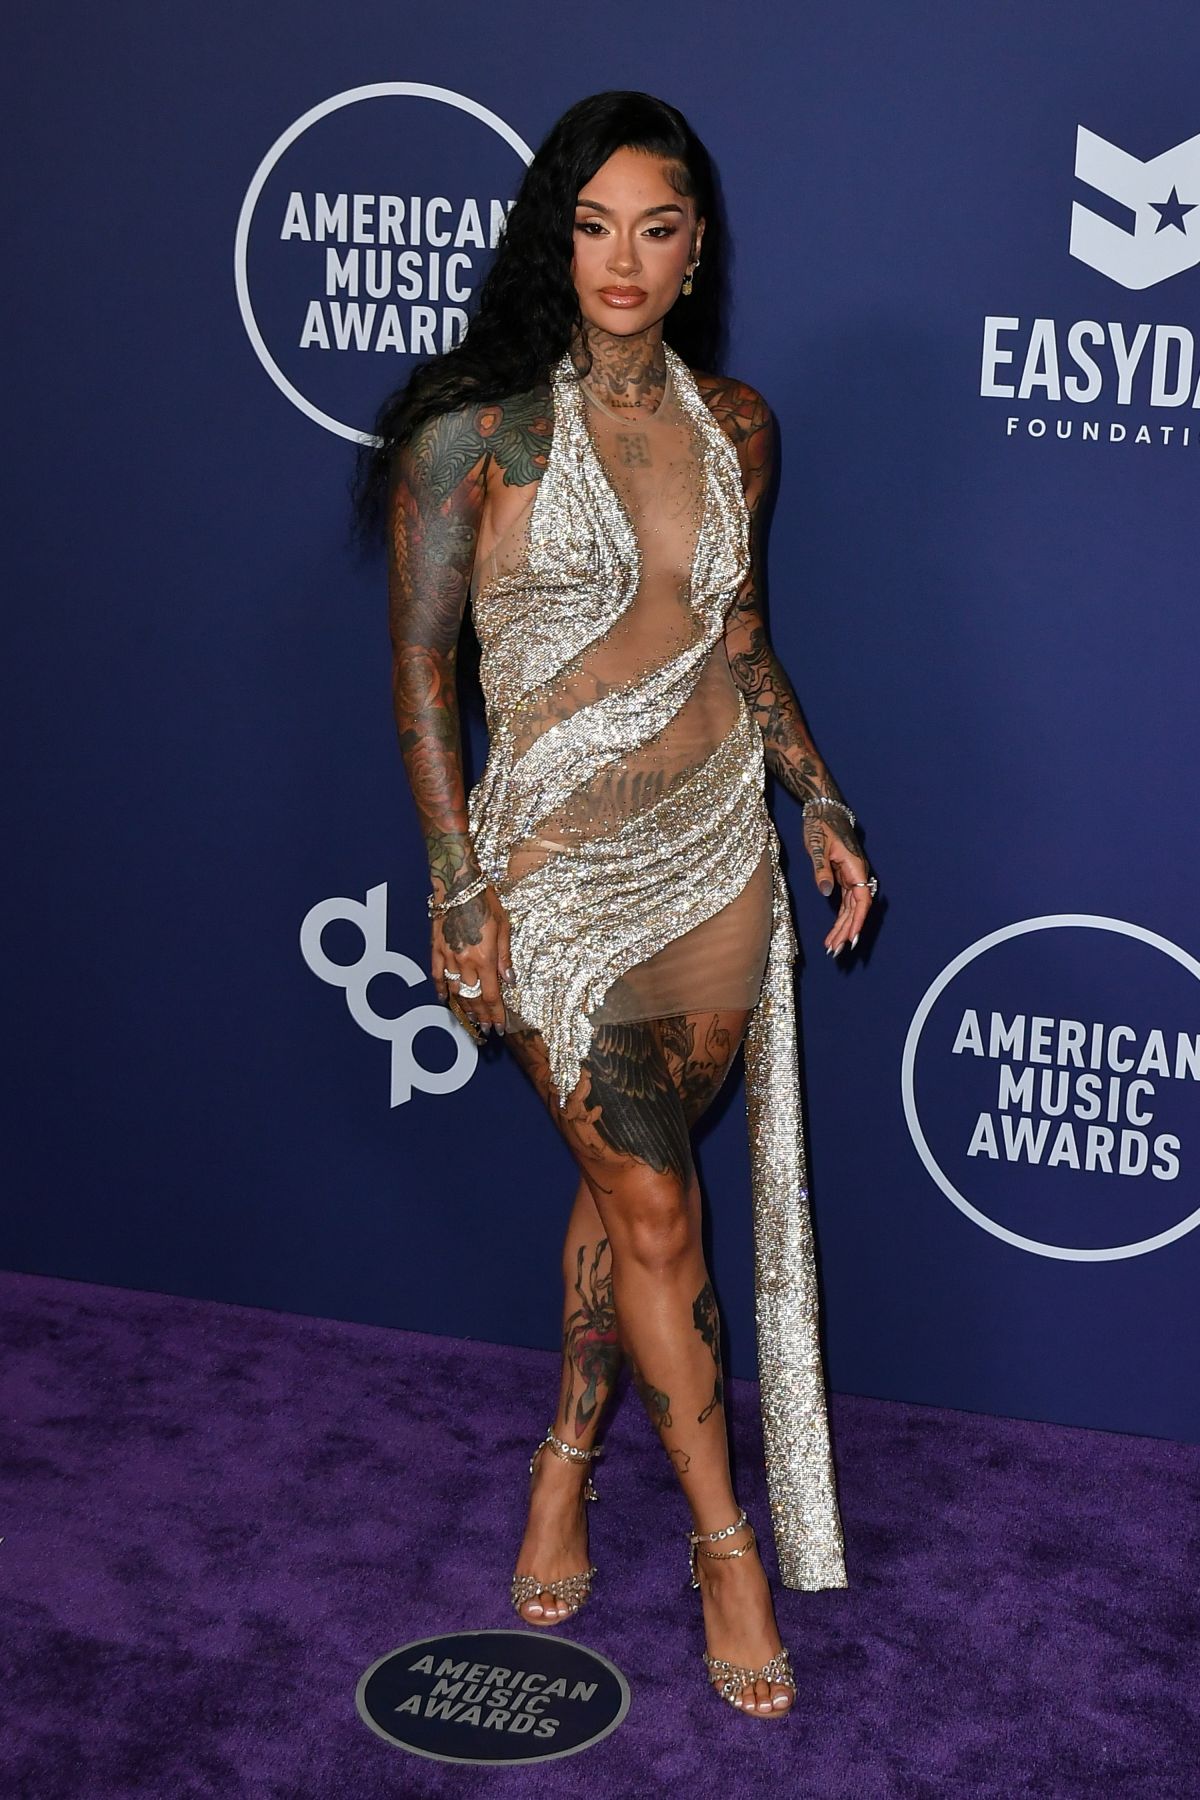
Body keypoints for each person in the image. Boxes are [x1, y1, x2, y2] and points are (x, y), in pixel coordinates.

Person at [355, 90, 876, 1720]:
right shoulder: (474, 439)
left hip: (717, 857)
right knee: (656, 1208)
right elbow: (422, 679)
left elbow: (741, 636)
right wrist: (457, 884)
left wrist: (821, 800)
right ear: (554, 241)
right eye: (593, 227)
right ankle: (726, 1544)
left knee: (628, 1200)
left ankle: (566, 1457)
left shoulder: (740, 425)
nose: (624, 260)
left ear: (696, 245)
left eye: (657, 227)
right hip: (557, 881)